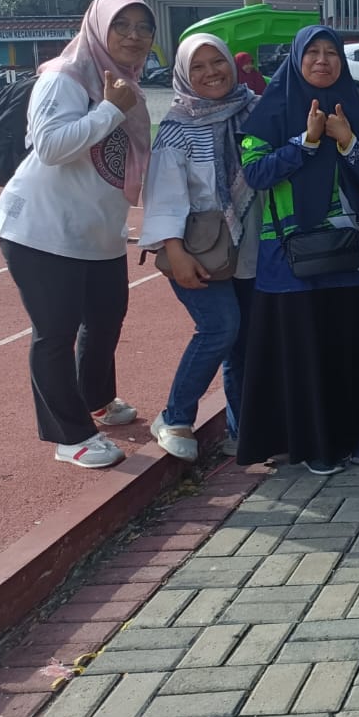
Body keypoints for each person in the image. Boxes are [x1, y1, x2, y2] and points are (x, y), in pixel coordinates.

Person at [0, 0, 154, 468]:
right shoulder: (64, 77)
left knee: (105, 319)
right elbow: (51, 147)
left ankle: (96, 399)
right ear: (98, 27)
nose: (134, 36)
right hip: (42, 228)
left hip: (96, 230)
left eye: (144, 27)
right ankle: (70, 436)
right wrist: (110, 110)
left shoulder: (126, 83)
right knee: (55, 332)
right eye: (122, 24)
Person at [236, 25, 359, 475]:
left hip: (347, 252)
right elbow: (256, 174)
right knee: (302, 348)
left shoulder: (355, 110)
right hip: (289, 256)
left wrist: (346, 140)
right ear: (297, 58)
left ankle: (352, 436)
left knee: (347, 343)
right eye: (313, 53)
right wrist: (304, 143)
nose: (323, 60)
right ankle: (313, 446)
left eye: (332, 53)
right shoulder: (270, 110)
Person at [139, 33, 260, 463]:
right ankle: (174, 417)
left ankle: (243, 433)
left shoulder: (254, 110)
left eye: (217, 62)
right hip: (200, 250)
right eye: (198, 66)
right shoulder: (177, 128)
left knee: (244, 341)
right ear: (183, 74)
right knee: (220, 327)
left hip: (252, 246)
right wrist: (175, 253)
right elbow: (164, 197)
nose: (211, 72)